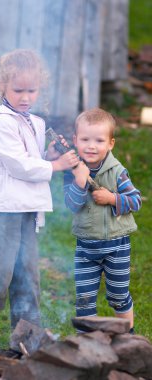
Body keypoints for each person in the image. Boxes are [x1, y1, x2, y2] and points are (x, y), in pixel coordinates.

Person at [0, 49, 78, 346]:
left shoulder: (36, 122)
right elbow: (17, 164)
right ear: (3, 87)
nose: (25, 97)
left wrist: (49, 155)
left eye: (32, 90)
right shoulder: (0, 121)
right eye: (18, 90)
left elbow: (32, 160)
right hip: (0, 208)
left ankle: (27, 337)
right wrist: (54, 166)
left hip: (26, 208)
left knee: (26, 273)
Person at [63, 108, 141, 334]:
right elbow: (71, 205)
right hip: (86, 248)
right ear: (75, 141)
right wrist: (79, 182)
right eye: (85, 139)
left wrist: (112, 198)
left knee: (118, 296)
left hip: (116, 246)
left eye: (99, 140)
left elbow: (136, 201)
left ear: (111, 143)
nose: (91, 145)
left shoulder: (117, 172)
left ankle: (129, 337)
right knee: (84, 299)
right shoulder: (73, 171)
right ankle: (88, 343)